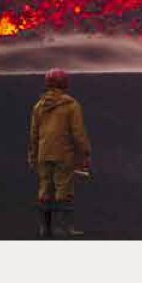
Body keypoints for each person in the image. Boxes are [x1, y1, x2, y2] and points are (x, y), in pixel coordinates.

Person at [28, 68, 91, 237]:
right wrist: (85, 151)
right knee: (64, 189)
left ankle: (44, 228)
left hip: (43, 153)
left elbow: (34, 133)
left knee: (44, 189)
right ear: (64, 83)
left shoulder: (39, 106)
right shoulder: (71, 105)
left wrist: (32, 155)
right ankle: (66, 228)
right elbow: (77, 132)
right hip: (63, 154)